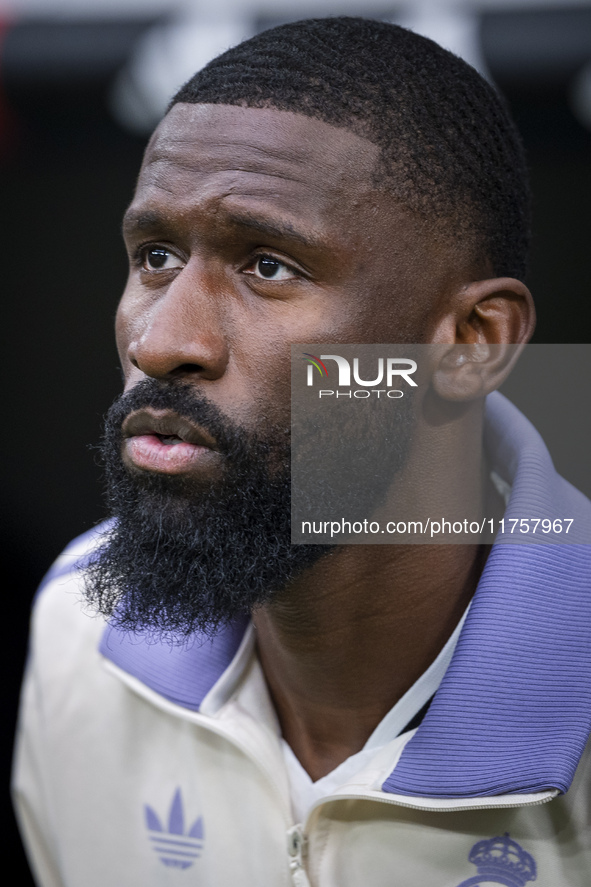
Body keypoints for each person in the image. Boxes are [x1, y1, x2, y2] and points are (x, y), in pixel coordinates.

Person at [12, 16, 591, 887]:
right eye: (156, 255)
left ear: (470, 341)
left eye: (269, 266)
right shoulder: (79, 633)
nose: (163, 342)